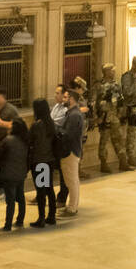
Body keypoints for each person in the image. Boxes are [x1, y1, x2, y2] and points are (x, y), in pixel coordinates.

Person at [91, 63, 129, 174]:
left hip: (115, 116)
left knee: (119, 139)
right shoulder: (98, 85)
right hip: (104, 117)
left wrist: (121, 112)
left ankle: (123, 161)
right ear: (106, 72)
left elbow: (120, 99)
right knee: (104, 141)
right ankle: (103, 163)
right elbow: (93, 102)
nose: (113, 72)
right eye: (111, 71)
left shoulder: (116, 84)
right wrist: (96, 117)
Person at [28, 98, 59, 228]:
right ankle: (51, 216)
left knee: (41, 191)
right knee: (49, 188)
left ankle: (41, 218)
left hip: (40, 162)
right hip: (49, 161)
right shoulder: (50, 123)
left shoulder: (37, 125)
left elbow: (29, 141)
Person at [0, 115, 29, 232]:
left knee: (10, 201)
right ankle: (20, 221)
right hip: (21, 173)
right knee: (20, 198)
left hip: (9, 175)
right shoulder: (25, 140)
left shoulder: (8, 140)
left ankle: (8, 225)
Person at [57, 87, 85, 218]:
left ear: (72, 99)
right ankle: (71, 206)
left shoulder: (74, 115)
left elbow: (68, 134)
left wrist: (56, 130)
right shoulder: (72, 113)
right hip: (69, 151)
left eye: (66, 97)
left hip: (71, 151)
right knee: (70, 180)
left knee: (72, 181)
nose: (64, 99)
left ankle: (72, 208)